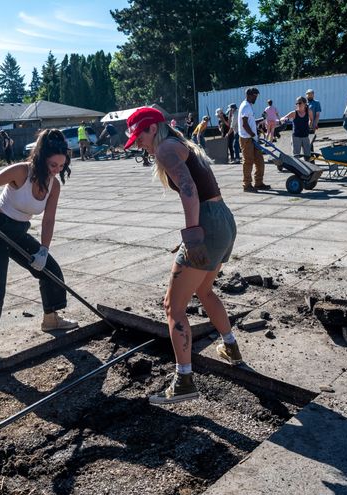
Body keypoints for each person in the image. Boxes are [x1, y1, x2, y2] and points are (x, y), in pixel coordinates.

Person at [122, 107, 241, 404]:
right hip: (224, 220)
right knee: (204, 289)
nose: (139, 144)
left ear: (153, 129)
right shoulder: (182, 144)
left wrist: (193, 235)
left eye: (140, 136)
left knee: (172, 307)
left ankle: (184, 380)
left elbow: (188, 191)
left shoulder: (165, 149)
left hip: (208, 225)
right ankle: (231, 347)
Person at [0, 129, 79, 364]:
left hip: (18, 232)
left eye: (61, 165)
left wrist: (43, 250)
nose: (56, 170)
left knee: (50, 270)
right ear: (41, 157)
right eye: (53, 164)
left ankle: (51, 319)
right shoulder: (22, 171)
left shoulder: (54, 185)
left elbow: (48, 219)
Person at [238, 87, 269, 192]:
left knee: (259, 161)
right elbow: (245, 124)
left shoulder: (249, 106)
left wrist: (261, 119)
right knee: (248, 162)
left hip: (252, 139)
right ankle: (247, 185)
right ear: (249, 95)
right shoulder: (245, 106)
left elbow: (250, 122)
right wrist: (252, 134)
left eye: (256, 96)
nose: (256, 98)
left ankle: (258, 183)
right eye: (254, 96)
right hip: (247, 139)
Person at [280, 96, 314, 161]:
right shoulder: (294, 113)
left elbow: (311, 119)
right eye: (297, 103)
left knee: (307, 156)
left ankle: (308, 169)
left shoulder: (309, 111)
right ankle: (298, 169)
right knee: (296, 156)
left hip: (305, 136)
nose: (298, 105)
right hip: (296, 137)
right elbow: (282, 118)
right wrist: (284, 119)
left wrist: (310, 125)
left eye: (300, 103)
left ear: (305, 103)